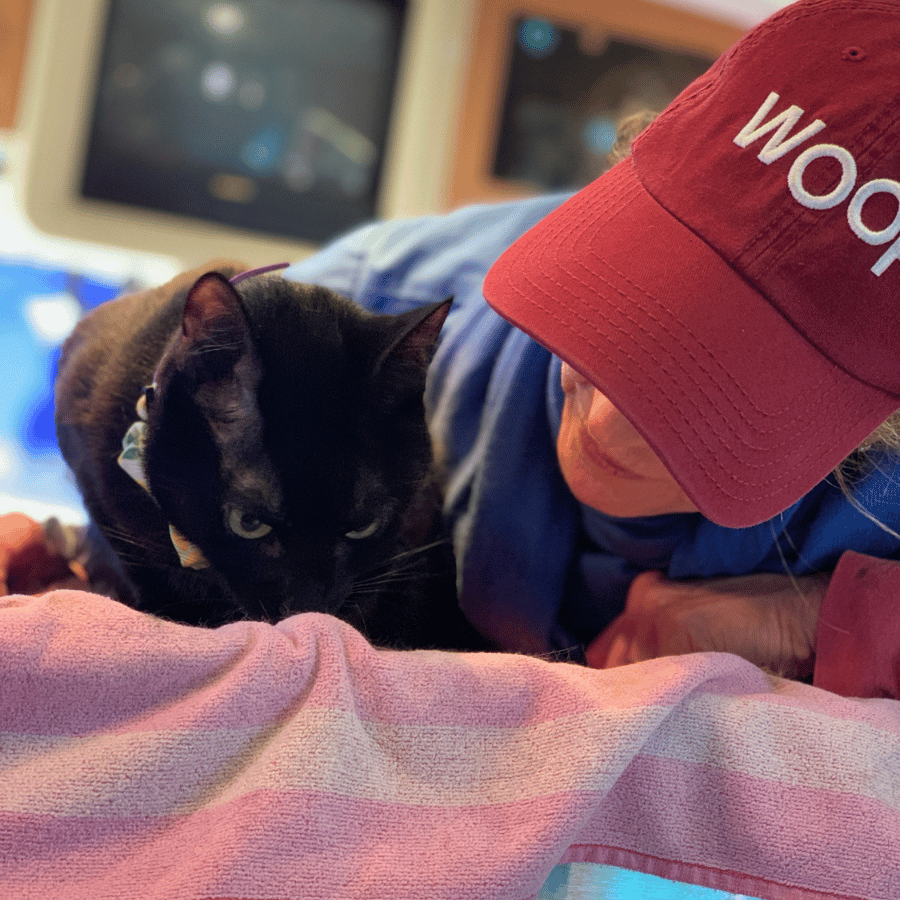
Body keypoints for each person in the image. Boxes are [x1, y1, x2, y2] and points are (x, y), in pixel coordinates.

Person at [284, 0, 900, 698]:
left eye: (718, 389)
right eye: (622, 297)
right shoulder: (382, 302)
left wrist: (827, 620)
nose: (605, 424)